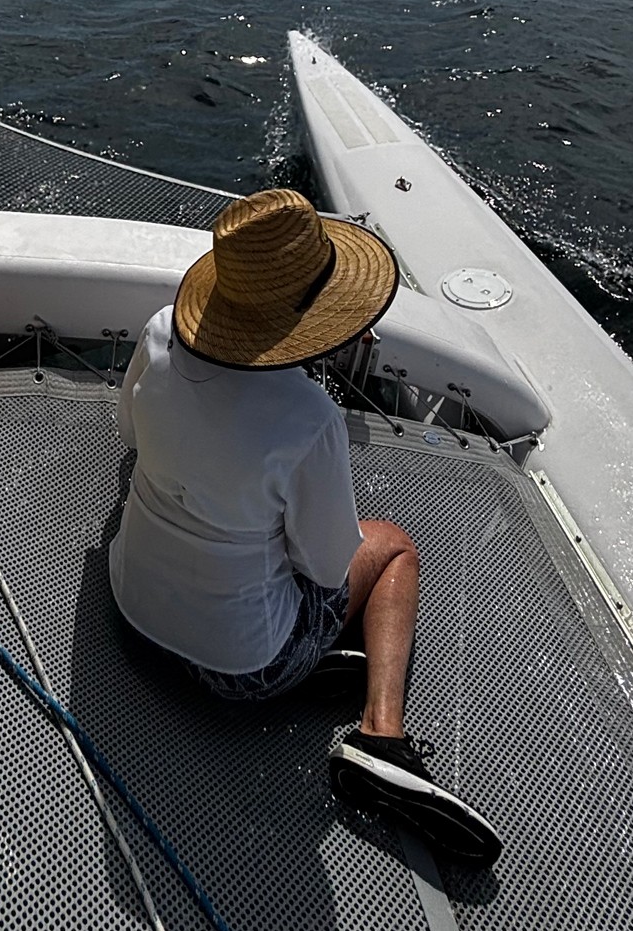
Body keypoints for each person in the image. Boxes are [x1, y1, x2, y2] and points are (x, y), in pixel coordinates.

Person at [109, 188, 500, 860]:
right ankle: (380, 739)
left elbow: (129, 432)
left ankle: (314, 663)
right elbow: (323, 567)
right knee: (394, 547)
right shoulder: (306, 416)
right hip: (240, 672)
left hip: (134, 616)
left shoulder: (157, 329)